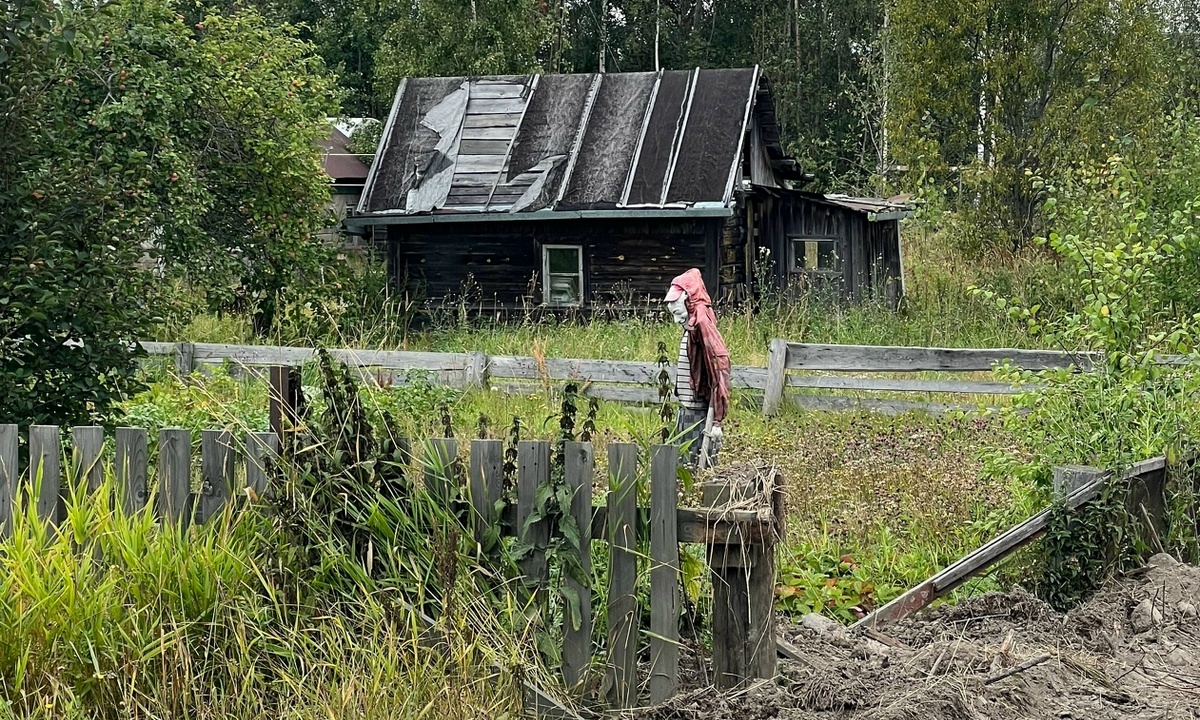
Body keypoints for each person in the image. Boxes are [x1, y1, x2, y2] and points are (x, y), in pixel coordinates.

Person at [664, 269, 731, 467]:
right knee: (683, 461)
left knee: (692, 464)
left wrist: (717, 420)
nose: (677, 320)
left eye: (678, 313)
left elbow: (720, 366)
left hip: (697, 409)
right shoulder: (692, 325)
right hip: (687, 406)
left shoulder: (702, 324)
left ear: (689, 302)